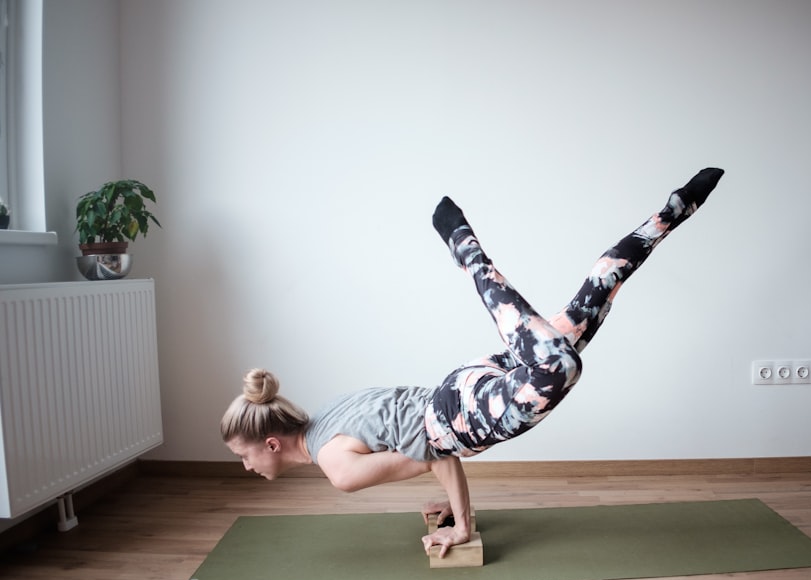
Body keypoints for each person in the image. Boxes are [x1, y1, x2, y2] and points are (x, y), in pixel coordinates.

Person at [220, 167, 725, 557]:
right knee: (590, 302)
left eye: (245, 456)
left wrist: (462, 526)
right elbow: (423, 439)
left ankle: (467, 252)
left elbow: (435, 452)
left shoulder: (338, 469)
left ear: (270, 443)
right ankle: (676, 208)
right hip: (462, 384)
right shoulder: (329, 414)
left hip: (462, 415)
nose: (247, 467)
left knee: (559, 367)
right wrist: (454, 510)